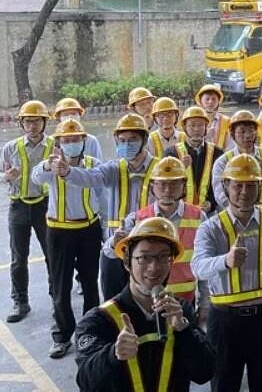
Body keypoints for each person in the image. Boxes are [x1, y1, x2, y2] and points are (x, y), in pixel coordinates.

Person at [191, 154, 262, 392]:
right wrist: (225, 261)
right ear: (225, 186)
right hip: (225, 321)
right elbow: (197, 267)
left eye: (251, 185)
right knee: (224, 389)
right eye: (237, 185)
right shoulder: (211, 227)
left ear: (259, 187)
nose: (244, 191)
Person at [75, 217, 214, 392]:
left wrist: (184, 331)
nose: (154, 267)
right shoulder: (99, 320)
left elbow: (204, 372)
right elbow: (85, 381)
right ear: (127, 262)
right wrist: (112, 354)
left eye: (163, 257)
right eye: (144, 258)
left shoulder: (181, 313)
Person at [62, 113, 157, 302]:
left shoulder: (159, 168)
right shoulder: (113, 168)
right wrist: (67, 172)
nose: (126, 144)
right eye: (122, 140)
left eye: (132, 139)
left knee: (148, 302)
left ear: (144, 140)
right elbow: (89, 178)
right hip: (115, 247)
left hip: (149, 248)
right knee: (113, 303)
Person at [33, 118, 101, 358]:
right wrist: (47, 167)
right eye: (66, 140)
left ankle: (91, 333)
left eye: (75, 139)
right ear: (59, 143)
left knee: (91, 284)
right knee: (60, 286)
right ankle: (62, 335)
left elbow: (101, 187)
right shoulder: (50, 165)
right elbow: (35, 178)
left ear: (84, 141)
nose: (71, 143)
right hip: (59, 233)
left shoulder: (93, 163)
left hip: (89, 230)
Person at [116, 157, 206, 310]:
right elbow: (110, 253)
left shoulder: (199, 216)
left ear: (184, 185)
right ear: (152, 186)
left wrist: (205, 304)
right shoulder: (138, 218)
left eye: (174, 184)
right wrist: (114, 242)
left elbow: (203, 263)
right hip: (147, 301)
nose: (168, 190)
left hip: (185, 301)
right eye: (162, 184)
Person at [2, 99, 53, 323]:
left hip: (45, 205)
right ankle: (20, 301)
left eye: (37, 121)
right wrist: (6, 177)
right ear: (22, 123)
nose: (33, 126)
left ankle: (57, 296)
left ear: (44, 123)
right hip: (19, 206)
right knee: (18, 257)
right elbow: (2, 174)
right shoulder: (10, 148)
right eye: (28, 122)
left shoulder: (54, 146)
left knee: (52, 254)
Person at [211, 110, 262, 210]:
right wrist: (240, 211)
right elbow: (220, 193)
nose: (247, 135)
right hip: (234, 213)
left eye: (251, 130)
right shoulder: (223, 162)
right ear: (232, 135)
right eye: (242, 131)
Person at [166, 105, 219, 214]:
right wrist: (179, 168)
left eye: (200, 125)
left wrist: (212, 203)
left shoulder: (217, 153)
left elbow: (221, 184)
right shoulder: (171, 153)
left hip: (208, 213)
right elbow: (164, 185)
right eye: (192, 125)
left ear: (206, 127)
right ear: (185, 128)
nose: (196, 129)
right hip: (179, 212)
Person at [196, 84, 231, 150]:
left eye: (214, 99)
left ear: (218, 101)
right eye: (207, 99)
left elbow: (231, 146)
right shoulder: (193, 120)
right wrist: (205, 137)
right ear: (200, 101)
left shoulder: (227, 121)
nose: (210, 102)